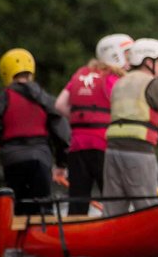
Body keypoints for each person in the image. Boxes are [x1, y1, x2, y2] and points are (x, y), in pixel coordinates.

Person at [0, 49, 71, 213]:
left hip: (13, 159)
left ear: (5, 72)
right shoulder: (46, 98)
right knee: (43, 206)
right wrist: (62, 163)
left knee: (20, 206)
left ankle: (18, 234)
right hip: (41, 159)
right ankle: (44, 234)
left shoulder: (1, 99)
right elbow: (62, 134)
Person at [54, 34, 132, 214]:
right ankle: (114, 232)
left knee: (78, 198)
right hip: (104, 145)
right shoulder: (114, 78)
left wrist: (79, 121)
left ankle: (75, 234)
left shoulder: (80, 74)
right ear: (115, 55)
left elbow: (59, 105)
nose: (130, 60)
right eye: (127, 54)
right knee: (112, 197)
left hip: (77, 146)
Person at [103, 39, 158, 214]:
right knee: (146, 205)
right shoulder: (153, 84)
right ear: (148, 62)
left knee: (113, 207)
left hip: (112, 151)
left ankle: (111, 238)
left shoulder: (118, 83)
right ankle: (152, 238)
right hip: (138, 151)